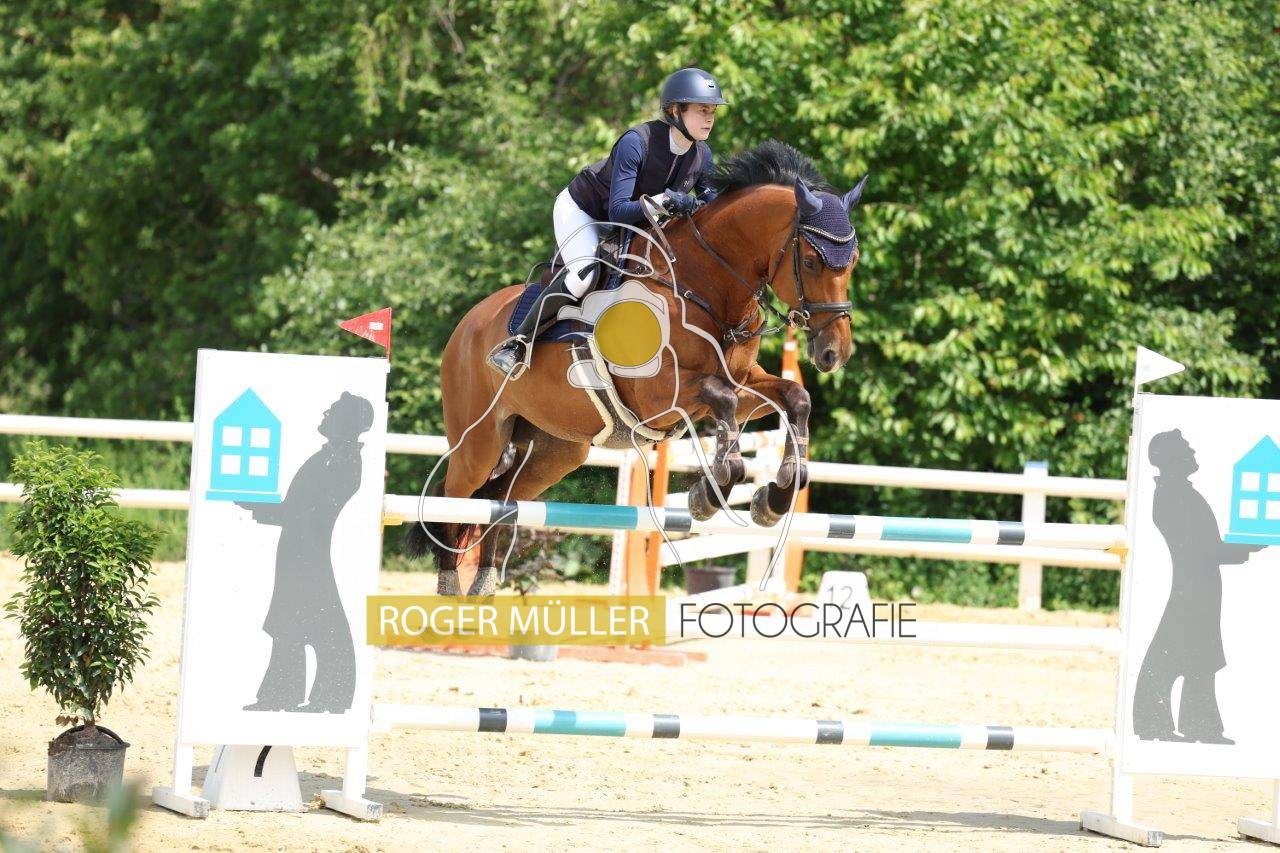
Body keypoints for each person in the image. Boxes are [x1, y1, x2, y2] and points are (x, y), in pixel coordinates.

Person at [487, 67, 727, 376]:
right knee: (583, 275)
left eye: (712, 111)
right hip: (585, 211)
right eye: (702, 110)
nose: (709, 118)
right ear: (674, 111)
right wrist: (667, 201)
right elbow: (618, 212)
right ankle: (518, 342)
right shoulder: (636, 142)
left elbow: (713, 205)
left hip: (635, 223)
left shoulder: (702, 155)